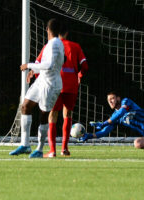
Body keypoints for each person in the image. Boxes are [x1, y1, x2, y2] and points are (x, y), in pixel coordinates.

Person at [9, 18, 64, 158]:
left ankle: (39, 149)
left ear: (47, 29)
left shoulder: (55, 44)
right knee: (26, 106)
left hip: (51, 85)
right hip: (42, 81)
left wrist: (29, 65)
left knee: (44, 115)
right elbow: (49, 64)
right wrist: (36, 71)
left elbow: (50, 65)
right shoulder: (52, 44)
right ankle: (25, 144)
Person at [44, 24, 89, 158]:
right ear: (67, 33)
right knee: (67, 114)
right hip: (71, 85)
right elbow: (85, 66)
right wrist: (79, 76)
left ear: (56, 33)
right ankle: (64, 148)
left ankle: (52, 151)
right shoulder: (75, 46)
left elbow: (39, 62)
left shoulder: (50, 45)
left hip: (55, 83)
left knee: (52, 114)